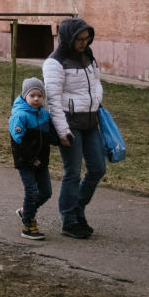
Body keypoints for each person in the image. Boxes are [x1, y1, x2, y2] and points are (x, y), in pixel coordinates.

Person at [43, 18, 105, 239]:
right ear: (68, 38)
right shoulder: (55, 63)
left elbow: (96, 81)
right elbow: (53, 100)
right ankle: (69, 220)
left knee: (98, 168)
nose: (84, 43)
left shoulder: (88, 55)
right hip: (70, 124)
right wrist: (62, 131)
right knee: (73, 172)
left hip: (91, 121)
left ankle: (77, 208)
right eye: (79, 39)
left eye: (87, 39)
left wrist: (97, 99)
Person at [9, 77, 55, 240]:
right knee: (32, 192)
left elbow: (48, 136)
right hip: (26, 161)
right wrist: (30, 159)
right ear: (24, 96)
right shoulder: (20, 116)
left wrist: (63, 139)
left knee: (46, 192)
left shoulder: (44, 114)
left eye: (39, 96)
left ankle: (24, 211)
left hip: (41, 161)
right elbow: (18, 142)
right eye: (32, 95)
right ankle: (28, 225)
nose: (36, 99)